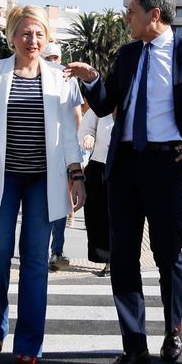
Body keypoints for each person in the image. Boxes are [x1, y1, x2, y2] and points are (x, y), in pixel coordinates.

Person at [66, 0, 182, 364]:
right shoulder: (127, 54)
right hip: (124, 164)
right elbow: (107, 104)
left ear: (154, 15)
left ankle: (173, 329)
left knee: (168, 254)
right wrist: (92, 80)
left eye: (131, 11)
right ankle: (134, 347)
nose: (126, 18)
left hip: (168, 164)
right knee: (122, 257)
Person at [0, 6, 86, 364]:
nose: (33, 41)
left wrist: (77, 176)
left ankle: (29, 342)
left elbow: (68, 134)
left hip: (44, 179)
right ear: (12, 36)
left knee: (34, 260)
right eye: (26, 34)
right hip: (4, 176)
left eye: (40, 34)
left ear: (48, 39)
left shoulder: (61, 76)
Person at [41, 42, 77, 271]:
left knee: (60, 204)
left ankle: (57, 250)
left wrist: (78, 154)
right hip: (38, 154)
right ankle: (38, 249)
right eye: (50, 58)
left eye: (57, 58)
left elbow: (75, 114)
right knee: (41, 205)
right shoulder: (36, 78)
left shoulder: (69, 80)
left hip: (62, 152)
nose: (55, 62)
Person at [78, 107, 115, 274]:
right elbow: (86, 128)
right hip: (99, 165)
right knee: (99, 215)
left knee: (123, 217)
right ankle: (107, 260)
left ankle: (121, 258)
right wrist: (88, 137)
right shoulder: (101, 103)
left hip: (126, 166)